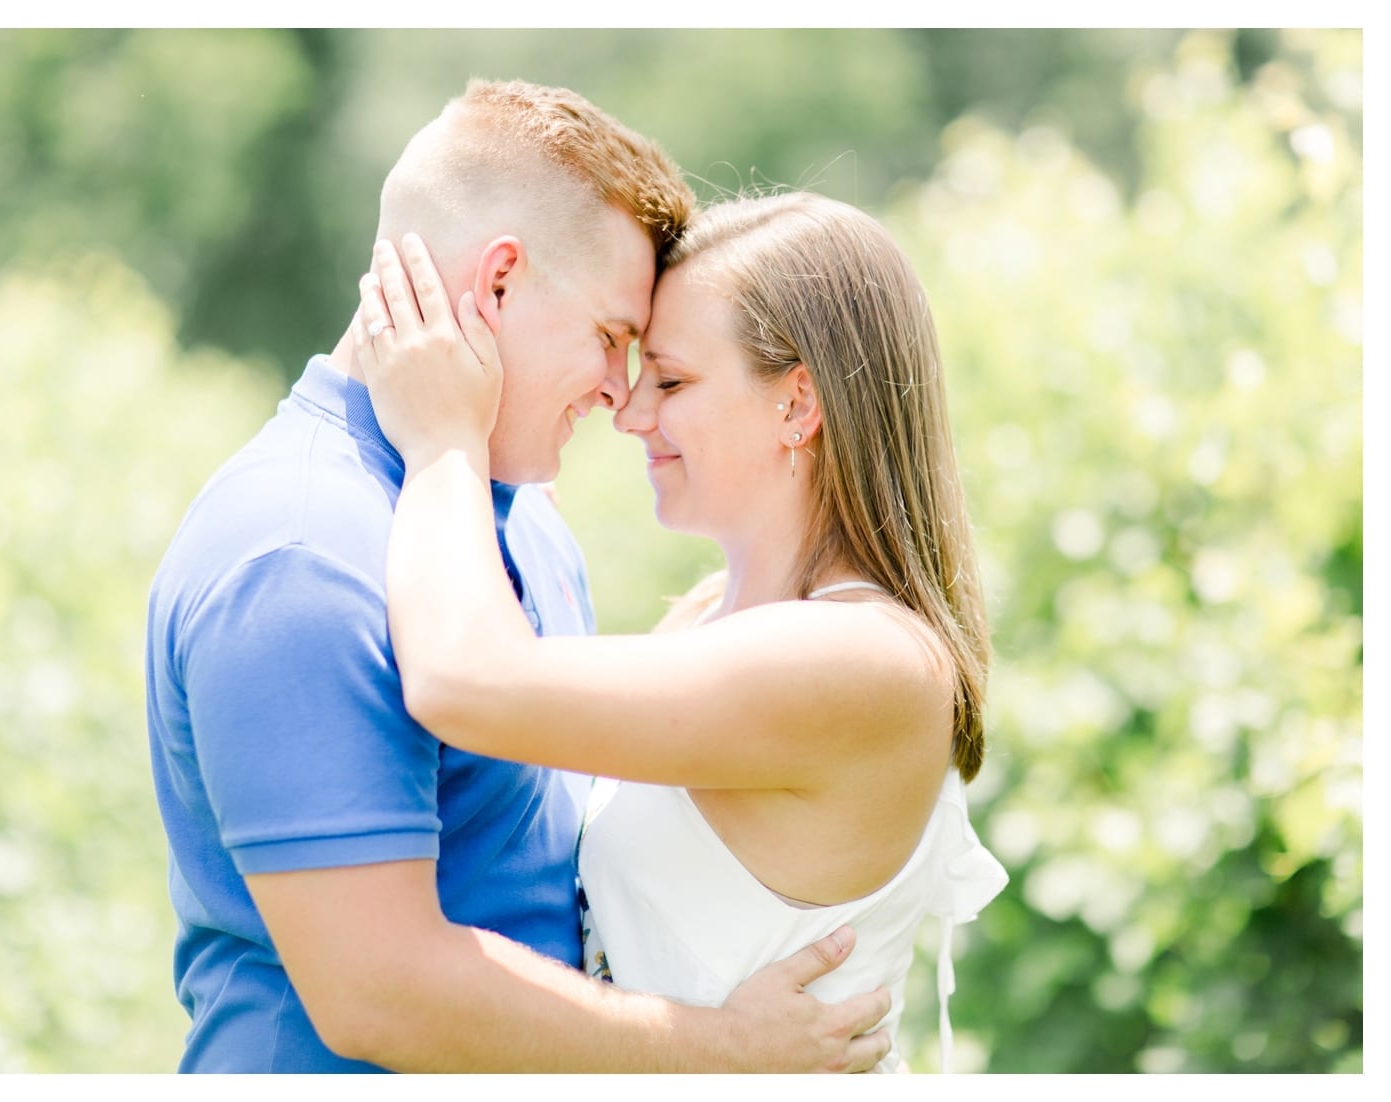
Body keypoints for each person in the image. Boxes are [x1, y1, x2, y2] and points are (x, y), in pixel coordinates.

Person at [145, 80, 894, 1073]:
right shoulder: (298, 554)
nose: (623, 395)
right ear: (496, 285)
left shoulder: (523, 518)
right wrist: (727, 1049)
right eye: (612, 339)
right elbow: (380, 991)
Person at [353, 190, 1010, 1074]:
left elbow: (463, 683)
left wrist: (444, 442)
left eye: (671, 380)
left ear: (797, 404)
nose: (629, 413)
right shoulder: (707, 615)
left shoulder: (865, 661)